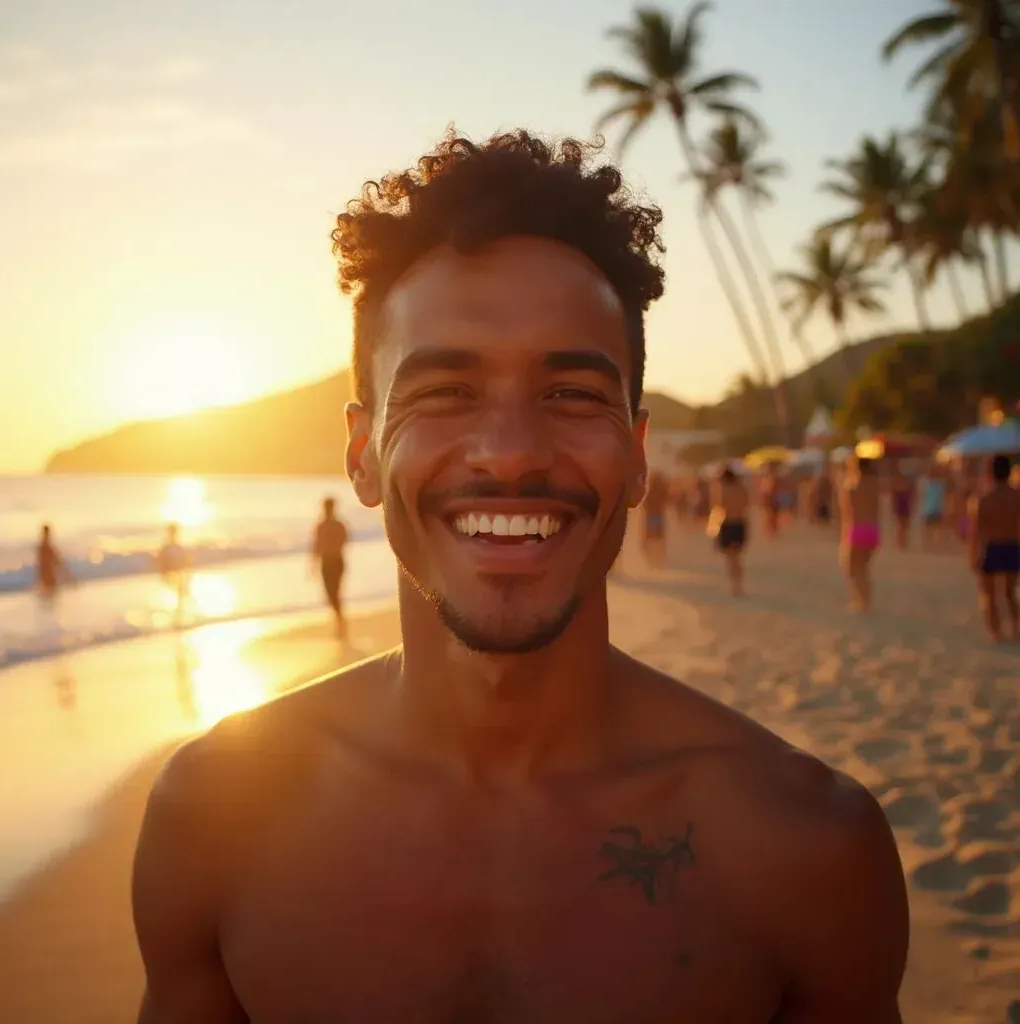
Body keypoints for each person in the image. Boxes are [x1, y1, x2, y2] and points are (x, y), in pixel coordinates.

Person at [132, 130, 907, 1023]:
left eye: (572, 394)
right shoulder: (215, 816)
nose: (509, 455)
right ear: (361, 454)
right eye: (444, 392)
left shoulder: (802, 847)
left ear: (638, 455)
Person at [969, 454, 1020, 643]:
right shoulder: (1017, 497)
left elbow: (976, 533)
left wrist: (973, 555)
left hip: (992, 547)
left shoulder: (983, 500)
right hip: (1013, 546)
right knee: (1009, 593)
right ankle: (1015, 628)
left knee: (989, 594)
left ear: (990, 473)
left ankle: (996, 633)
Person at [839, 455, 882, 612]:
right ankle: (866, 600)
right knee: (863, 568)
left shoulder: (852, 485)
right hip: (873, 529)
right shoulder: (875, 484)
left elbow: (848, 512)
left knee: (852, 568)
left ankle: (860, 600)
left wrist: (844, 536)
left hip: (857, 529)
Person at [708, 465, 750, 596]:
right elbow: (746, 505)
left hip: (728, 524)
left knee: (731, 557)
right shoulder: (742, 488)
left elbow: (718, 509)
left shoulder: (723, 489)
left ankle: (735, 586)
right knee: (737, 556)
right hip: (740, 523)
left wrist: (712, 529)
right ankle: (739, 585)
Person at [312, 495, 349, 639]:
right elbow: (316, 545)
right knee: (330, 594)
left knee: (335, 592)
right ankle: (339, 619)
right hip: (327, 562)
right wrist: (313, 564)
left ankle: (339, 621)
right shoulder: (321, 525)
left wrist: (334, 550)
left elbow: (344, 540)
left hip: (336, 562)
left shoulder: (338, 524)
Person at [34, 523, 74, 606]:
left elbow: (57, 561)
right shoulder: (47, 547)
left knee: (48, 602)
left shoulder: (43, 547)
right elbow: (58, 561)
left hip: (47, 576)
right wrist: (69, 576)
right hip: (49, 577)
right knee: (51, 602)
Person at [158, 522, 190, 624]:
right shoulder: (168, 547)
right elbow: (162, 561)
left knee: (181, 595)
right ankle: (178, 615)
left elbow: (185, 560)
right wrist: (163, 573)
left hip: (179, 573)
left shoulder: (173, 546)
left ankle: (180, 616)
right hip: (173, 573)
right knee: (180, 595)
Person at [640, 471, 668, 566]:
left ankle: (649, 560)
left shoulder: (649, 491)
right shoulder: (662, 491)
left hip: (650, 516)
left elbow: (644, 505)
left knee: (648, 539)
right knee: (659, 539)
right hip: (659, 516)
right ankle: (659, 560)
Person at [919, 462, 947, 551]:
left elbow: (922, 496)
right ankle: (938, 546)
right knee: (938, 529)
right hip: (937, 508)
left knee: (928, 530)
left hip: (927, 508)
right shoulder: (941, 484)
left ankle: (928, 545)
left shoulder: (925, 483)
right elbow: (943, 497)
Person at [888, 466, 915, 551]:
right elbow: (893, 500)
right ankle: (901, 543)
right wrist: (893, 509)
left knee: (904, 526)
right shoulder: (897, 488)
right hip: (900, 508)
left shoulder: (905, 488)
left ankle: (902, 542)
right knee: (901, 527)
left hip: (904, 508)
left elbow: (911, 498)